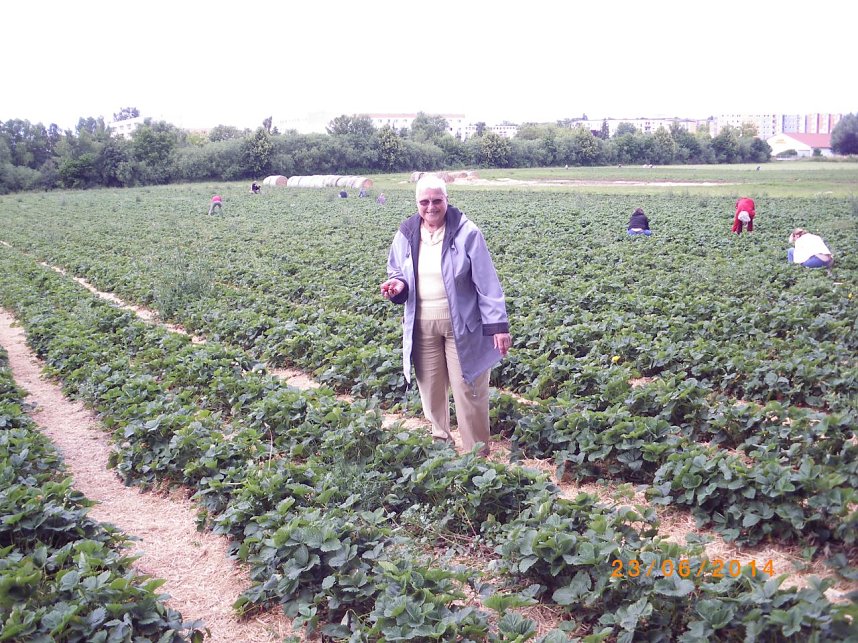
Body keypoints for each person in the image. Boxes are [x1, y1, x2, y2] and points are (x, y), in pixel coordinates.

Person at [380, 175, 511, 457]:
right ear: (417, 203)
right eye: (424, 202)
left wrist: (497, 326)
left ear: (446, 200)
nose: (430, 207)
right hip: (422, 324)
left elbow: (487, 283)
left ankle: (477, 453)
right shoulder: (406, 233)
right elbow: (397, 271)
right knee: (431, 389)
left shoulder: (467, 232)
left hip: (461, 325)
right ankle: (441, 447)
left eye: (436, 200)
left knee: (469, 388)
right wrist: (398, 286)